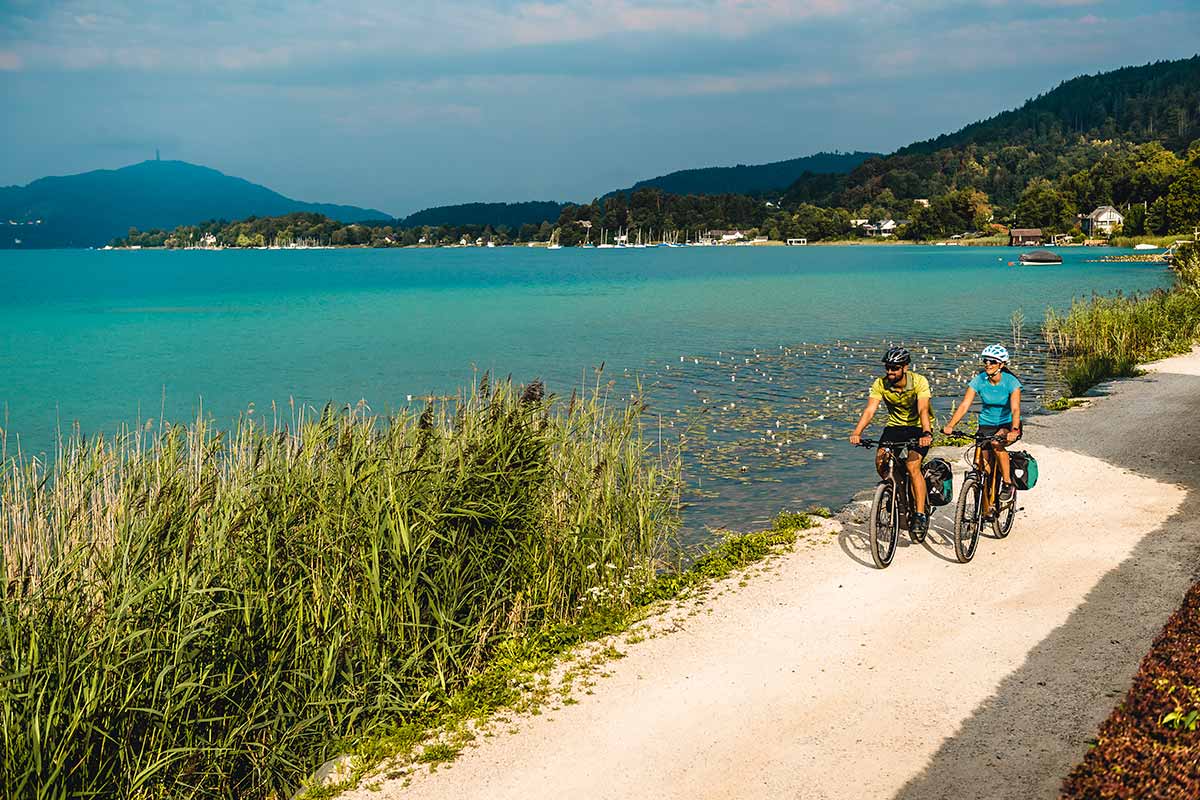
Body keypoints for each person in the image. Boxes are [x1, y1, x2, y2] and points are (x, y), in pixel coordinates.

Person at [849, 346, 934, 536]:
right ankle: (898, 493)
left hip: (919, 427)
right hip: (895, 427)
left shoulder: (919, 381)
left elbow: (923, 410)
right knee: (881, 463)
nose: (890, 372)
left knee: (913, 467)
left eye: (894, 368)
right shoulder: (881, 383)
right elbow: (870, 410)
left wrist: (926, 433)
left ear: (905, 367)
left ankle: (919, 513)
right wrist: (857, 432)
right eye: (888, 367)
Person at [941, 344, 1022, 504]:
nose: (988, 364)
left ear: (1001, 364)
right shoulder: (979, 380)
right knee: (982, 465)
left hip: (1007, 424)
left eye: (992, 361)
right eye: (986, 361)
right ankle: (986, 496)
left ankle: (1007, 483)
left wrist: (1014, 429)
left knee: (996, 443)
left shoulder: (1011, 382)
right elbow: (964, 405)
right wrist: (950, 425)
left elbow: (1015, 409)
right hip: (986, 424)